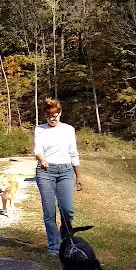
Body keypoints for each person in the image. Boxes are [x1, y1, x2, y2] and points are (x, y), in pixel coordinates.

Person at [34, 98, 83, 256]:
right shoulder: (40, 129)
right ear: (45, 116)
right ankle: (54, 246)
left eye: (54, 116)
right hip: (45, 171)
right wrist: (42, 159)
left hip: (65, 171)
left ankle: (65, 237)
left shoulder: (69, 129)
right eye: (49, 117)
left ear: (60, 114)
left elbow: (73, 153)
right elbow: (37, 149)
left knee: (67, 210)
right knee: (49, 211)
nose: (52, 119)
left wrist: (79, 177)